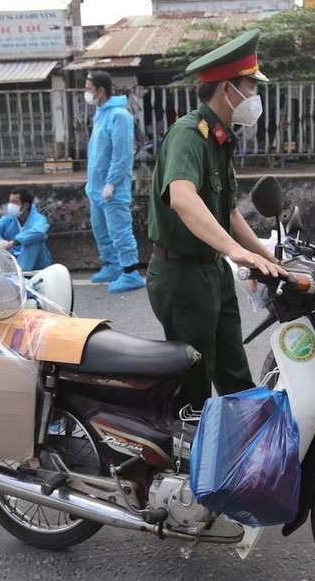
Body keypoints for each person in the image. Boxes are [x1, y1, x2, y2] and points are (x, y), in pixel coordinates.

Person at [147, 29, 284, 412]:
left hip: (212, 270)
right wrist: (234, 252)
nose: (254, 97)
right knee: (193, 389)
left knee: (234, 373)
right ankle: (188, 449)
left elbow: (229, 213)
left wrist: (270, 260)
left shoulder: (220, 139)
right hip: (182, 275)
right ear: (228, 89)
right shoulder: (189, 135)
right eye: (251, 87)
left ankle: (244, 442)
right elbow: (182, 197)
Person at [84, 70, 146, 294]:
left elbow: (122, 155)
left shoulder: (120, 116)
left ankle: (130, 273)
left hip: (113, 189)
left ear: (101, 91)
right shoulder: (101, 113)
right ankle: (112, 265)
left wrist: (111, 184)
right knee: (101, 230)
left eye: (89, 89)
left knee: (120, 232)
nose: (86, 93)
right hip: (95, 188)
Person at [0, 186, 52, 271]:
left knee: (35, 240)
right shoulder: (8, 219)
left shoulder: (38, 219)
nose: (11, 205)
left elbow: (39, 231)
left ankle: (20, 273)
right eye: (10, 201)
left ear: (25, 205)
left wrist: (12, 243)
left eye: (14, 202)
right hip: (11, 263)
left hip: (36, 267)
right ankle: (4, 272)